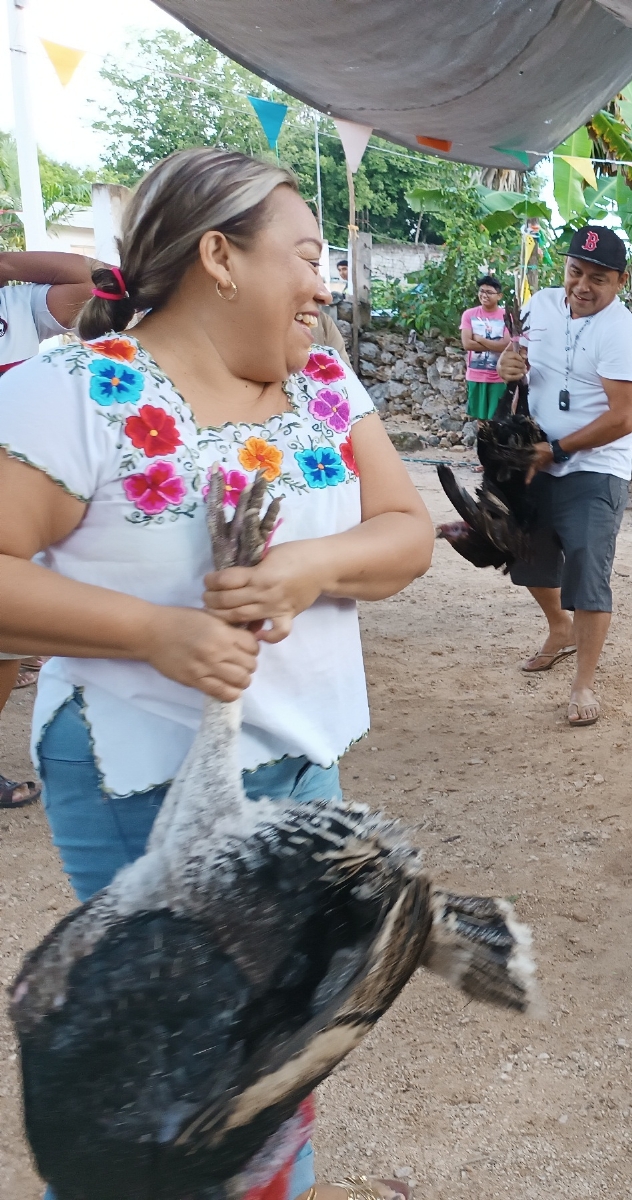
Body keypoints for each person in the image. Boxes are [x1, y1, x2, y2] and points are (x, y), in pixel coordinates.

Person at [0, 147, 434, 1199]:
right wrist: (153, 633)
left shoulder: (325, 386)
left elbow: (407, 533)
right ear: (219, 257)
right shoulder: (81, 389)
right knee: (188, 1058)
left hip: (301, 773)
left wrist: (309, 567)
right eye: (307, 254)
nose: (323, 283)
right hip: (139, 774)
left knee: (276, 1038)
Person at [497, 225, 632, 727]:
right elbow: (518, 365)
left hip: (594, 466)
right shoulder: (540, 305)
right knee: (528, 553)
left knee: (587, 567)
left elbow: (625, 416)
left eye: (597, 279)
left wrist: (556, 450)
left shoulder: (621, 331)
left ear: (620, 281)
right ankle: (560, 628)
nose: (582, 286)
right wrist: (508, 366)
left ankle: (583, 683)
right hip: (535, 455)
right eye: (575, 272)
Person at [0, 250, 96, 806]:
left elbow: (91, 278)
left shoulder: (16, 303)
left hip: (6, 490)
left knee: (3, 641)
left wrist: (6, 265)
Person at [460, 274, 512, 420]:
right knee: (480, 421)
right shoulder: (469, 315)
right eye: (481, 291)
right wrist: (493, 344)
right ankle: (481, 444)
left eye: (489, 292)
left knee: (497, 419)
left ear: (499, 295)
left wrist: (479, 338)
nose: (484, 295)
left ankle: (494, 444)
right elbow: (467, 344)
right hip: (476, 375)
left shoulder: (506, 316)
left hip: (499, 377)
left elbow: (505, 346)